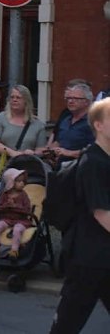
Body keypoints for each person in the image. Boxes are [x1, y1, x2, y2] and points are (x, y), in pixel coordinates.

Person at [49, 98, 110, 333]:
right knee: (66, 325)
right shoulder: (93, 161)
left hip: (102, 257)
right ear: (98, 125)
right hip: (89, 260)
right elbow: (101, 212)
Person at [0, 85, 47, 175]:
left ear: (26, 101)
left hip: (27, 171)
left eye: (18, 97)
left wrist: (33, 153)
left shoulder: (37, 124)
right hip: (2, 169)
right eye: (12, 97)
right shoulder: (0, 118)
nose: (14, 100)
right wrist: (13, 153)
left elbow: (42, 149)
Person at [0, 168, 33, 259]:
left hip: (21, 220)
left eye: (23, 181)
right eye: (19, 181)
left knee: (17, 229)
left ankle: (14, 250)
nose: (22, 183)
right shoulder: (5, 195)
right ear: (11, 182)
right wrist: (7, 205)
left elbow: (27, 210)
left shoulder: (23, 195)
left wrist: (15, 206)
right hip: (7, 219)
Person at [45, 82, 95, 165]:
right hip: (61, 169)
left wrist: (70, 153)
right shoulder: (65, 121)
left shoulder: (93, 123)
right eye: (68, 98)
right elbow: (59, 142)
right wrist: (52, 151)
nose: (71, 101)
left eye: (75, 98)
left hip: (82, 169)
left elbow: (96, 151)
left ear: (87, 101)